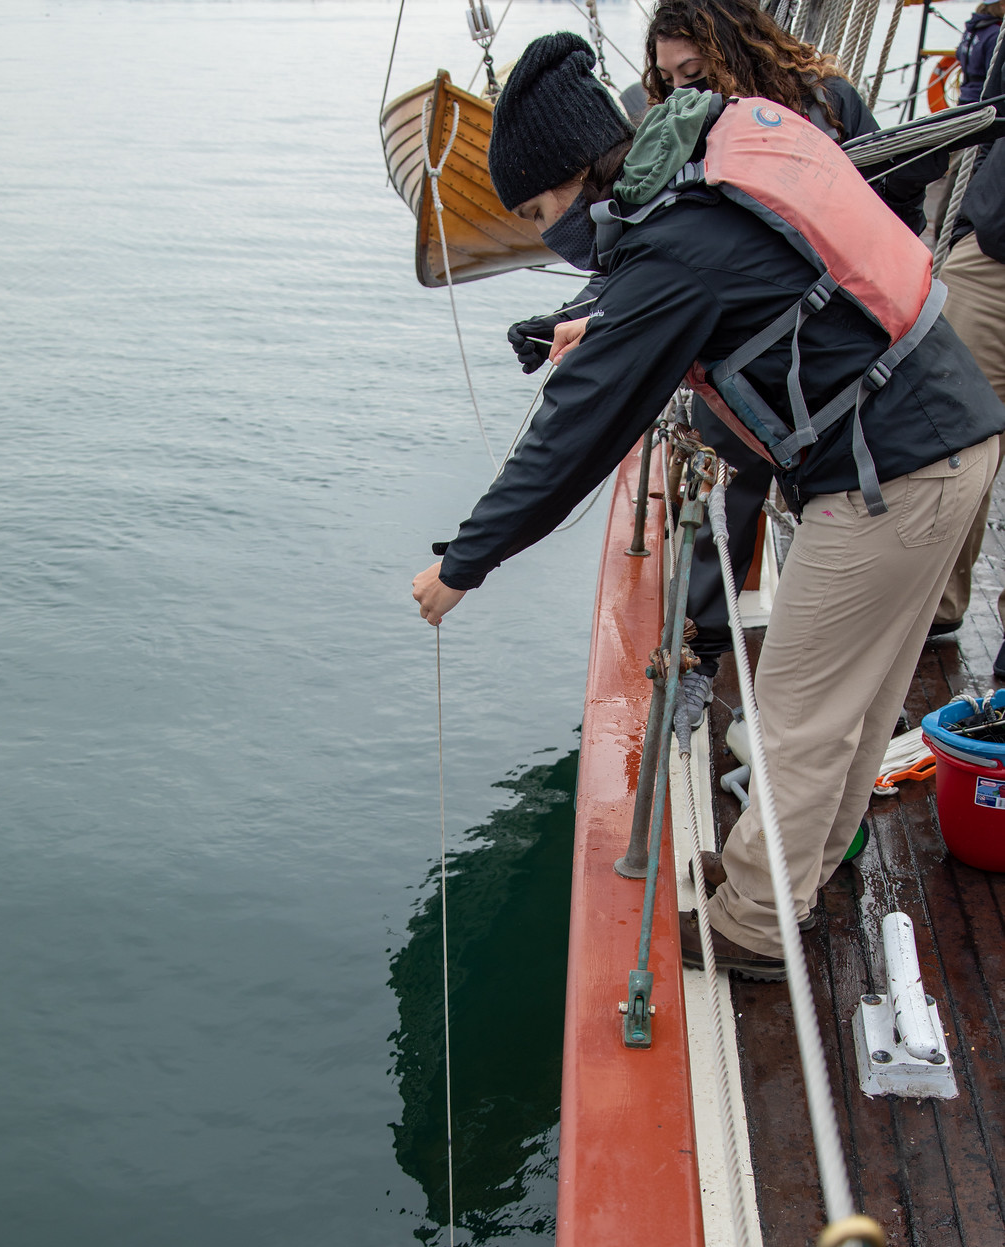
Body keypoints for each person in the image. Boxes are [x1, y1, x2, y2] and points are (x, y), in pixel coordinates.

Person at [411, 32, 1004, 979]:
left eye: (538, 207)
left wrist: (461, 564)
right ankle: (789, 873)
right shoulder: (700, 156)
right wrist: (595, 321)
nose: (543, 229)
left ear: (580, 175)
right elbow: (724, 282)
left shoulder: (674, 245)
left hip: (889, 478)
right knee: (857, 701)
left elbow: (575, 435)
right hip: (946, 436)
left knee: (798, 717)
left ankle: (757, 925)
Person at [508, 0, 945, 732]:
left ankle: (842, 682)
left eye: (694, 70)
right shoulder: (674, 136)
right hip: (736, 348)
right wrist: (572, 315)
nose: (681, 88)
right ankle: (701, 653)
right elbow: (635, 248)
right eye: (666, 76)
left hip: (830, 348)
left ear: (734, 50)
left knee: (837, 504)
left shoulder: (820, 107)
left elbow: (903, 193)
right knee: (723, 487)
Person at [932, 139, 1005, 675]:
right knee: (952, 441)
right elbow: (990, 105)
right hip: (992, 258)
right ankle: (937, 604)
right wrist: (964, 231)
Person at [957, 1, 1004, 104]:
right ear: (998, 6)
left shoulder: (970, 29)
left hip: (965, 97)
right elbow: (995, 72)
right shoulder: (995, 34)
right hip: (982, 100)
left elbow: (959, 54)